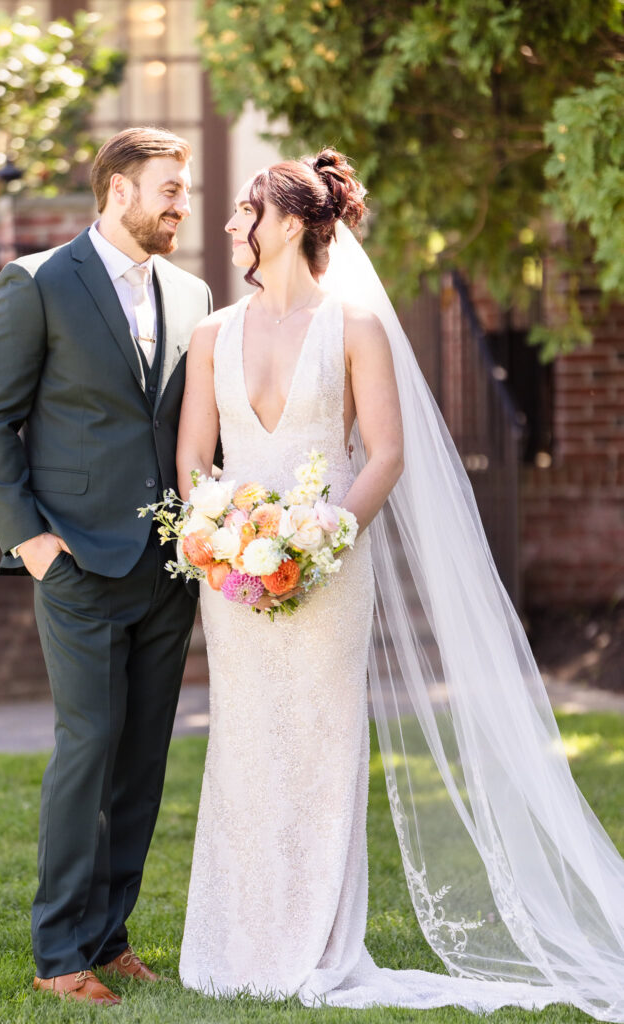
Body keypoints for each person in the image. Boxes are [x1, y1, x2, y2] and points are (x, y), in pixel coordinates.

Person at [174, 150, 624, 1019]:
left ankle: (316, 942)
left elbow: (384, 453)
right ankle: (240, 938)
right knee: (243, 751)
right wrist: (218, 538)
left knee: (319, 747)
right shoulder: (210, 335)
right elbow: (195, 458)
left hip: (328, 570)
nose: (230, 225)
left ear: (296, 225)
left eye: (245, 211)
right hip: (231, 579)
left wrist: (319, 542)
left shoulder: (355, 329)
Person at [0, 126, 211, 1007]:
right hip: (74, 562)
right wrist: (30, 542)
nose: (183, 205)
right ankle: (58, 951)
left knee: (143, 756)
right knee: (88, 747)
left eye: (185, 190)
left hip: (169, 564)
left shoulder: (193, 293)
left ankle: (110, 938)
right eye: (169, 191)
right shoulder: (37, 282)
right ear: (116, 191)